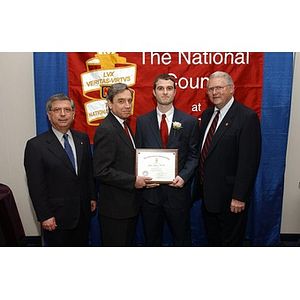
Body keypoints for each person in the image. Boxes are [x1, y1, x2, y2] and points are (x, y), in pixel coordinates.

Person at [194, 71, 261, 246]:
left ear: (231, 89)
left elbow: (249, 161)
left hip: (231, 199)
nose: (214, 92)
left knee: (230, 244)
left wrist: (239, 196)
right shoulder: (208, 114)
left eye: (219, 88)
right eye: (210, 89)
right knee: (213, 241)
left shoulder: (247, 117)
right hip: (208, 197)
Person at [135, 74, 200, 246]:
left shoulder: (190, 121)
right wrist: (141, 178)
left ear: (175, 92)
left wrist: (184, 177)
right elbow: (138, 154)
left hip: (178, 194)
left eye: (169, 88)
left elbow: (194, 155)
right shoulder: (141, 122)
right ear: (154, 93)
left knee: (182, 240)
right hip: (150, 196)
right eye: (160, 88)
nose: (165, 92)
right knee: (152, 241)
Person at [24, 93, 97, 246]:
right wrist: (45, 215)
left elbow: (87, 172)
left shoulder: (82, 139)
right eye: (57, 110)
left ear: (74, 113)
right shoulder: (36, 145)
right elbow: (36, 186)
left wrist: (91, 196)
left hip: (82, 213)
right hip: (56, 218)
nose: (63, 114)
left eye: (67, 110)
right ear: (49, 115)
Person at [93, 83, 151, 246]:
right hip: (115, 210)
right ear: (109, 104)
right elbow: (101, 171)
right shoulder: (107, 129)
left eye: (129, 100)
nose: (127, 105)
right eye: (121, 101)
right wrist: (133, 181)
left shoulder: (123, 125)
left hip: (127, 207)